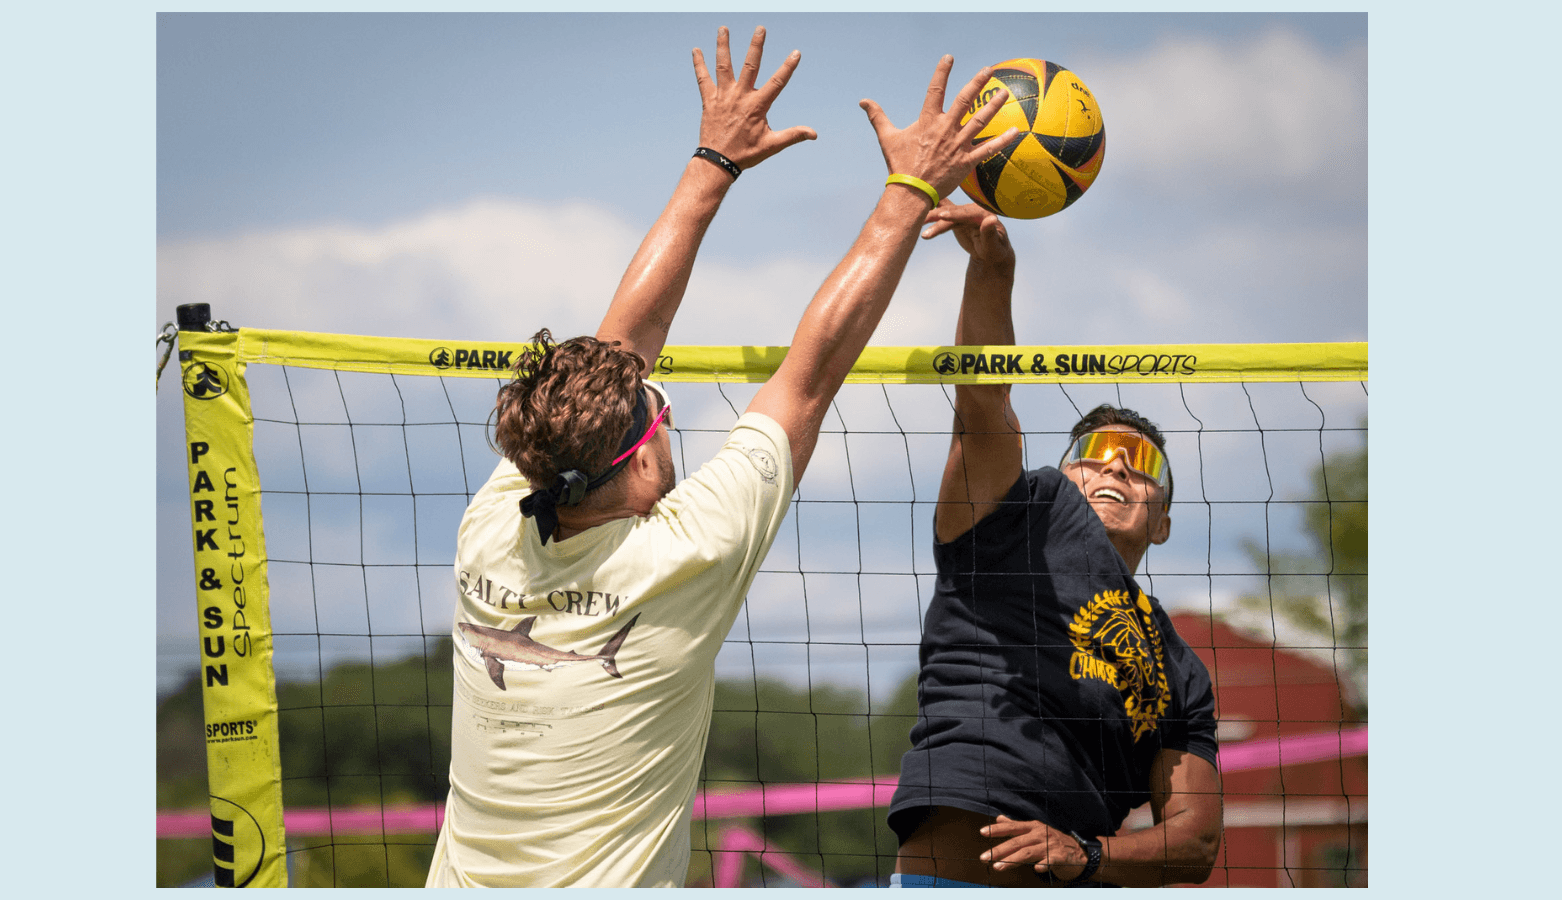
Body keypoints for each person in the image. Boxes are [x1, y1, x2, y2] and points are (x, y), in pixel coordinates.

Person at [426, 27, 1019, 888]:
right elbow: (810, 373)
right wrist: (910, 187)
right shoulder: (684, 552)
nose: (668, 415)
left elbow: (623, 346)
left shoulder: (494, 524)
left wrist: (715, 159)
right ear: (636, 465)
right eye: (660, 417)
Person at [884, 202, 1224, 888]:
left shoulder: (1178, 666)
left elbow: (1196, 840)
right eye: (1095, 453)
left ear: (1162, 521)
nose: (1117, 465)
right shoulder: (1022, 515)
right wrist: (992, 271)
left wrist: (1088, 855)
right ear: (1066, 475)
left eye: (1142, 463)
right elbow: (983, 404)